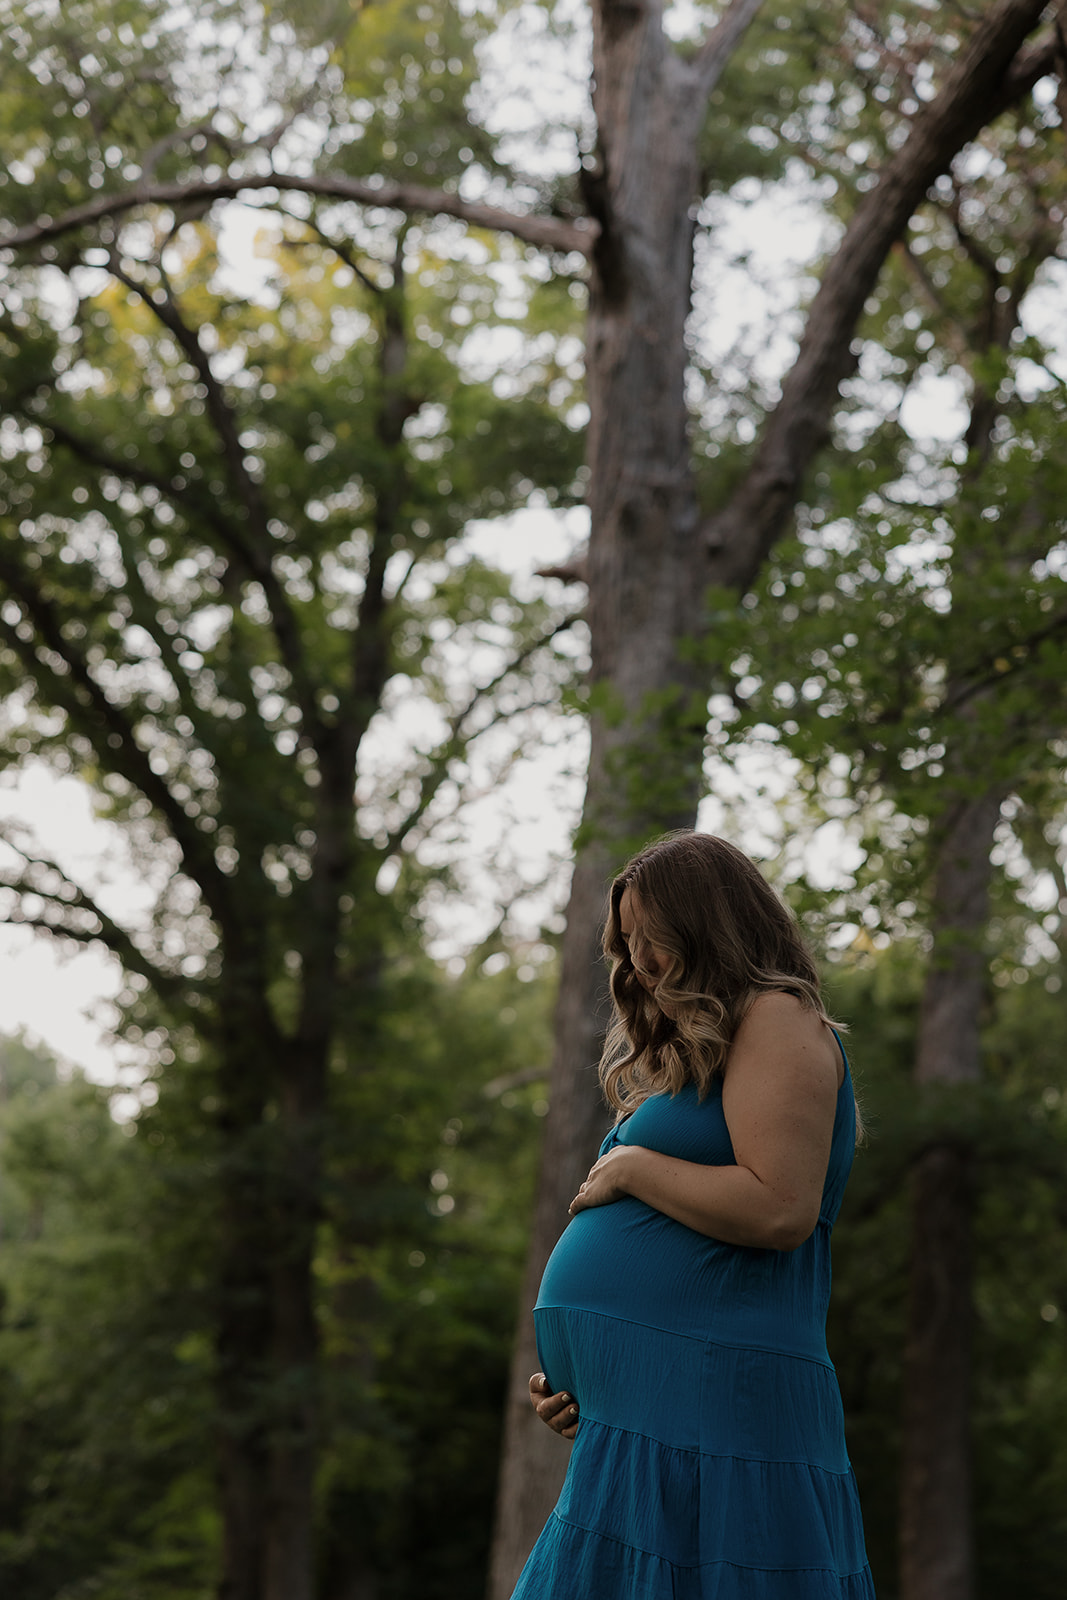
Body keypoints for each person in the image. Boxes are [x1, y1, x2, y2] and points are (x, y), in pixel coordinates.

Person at [510, 831, 875, 1599]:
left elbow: (781, 1208)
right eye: (626, 941)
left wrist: (634, 1167)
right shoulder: (693, 1058)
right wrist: (586, 1383)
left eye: (653, 935)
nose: (637, 960)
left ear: (709, 924)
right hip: (643, 1424)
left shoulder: (777, 1017)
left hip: (723, 1408)